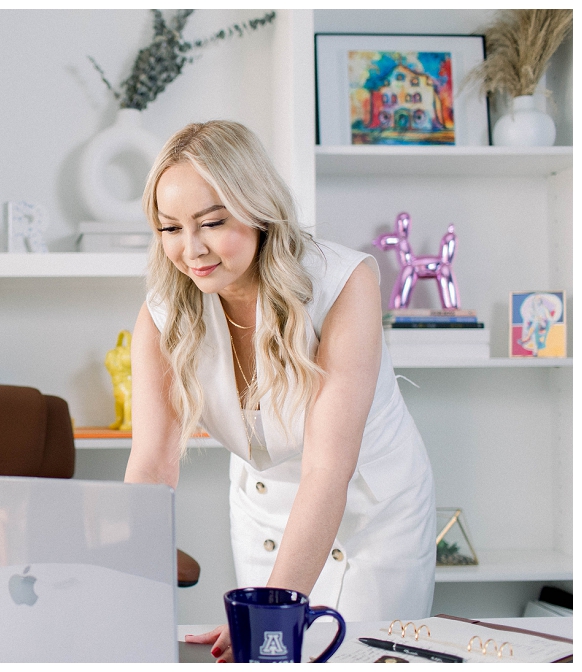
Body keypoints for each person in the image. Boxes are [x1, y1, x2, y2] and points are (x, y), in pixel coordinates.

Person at [123, 121, 436, 662]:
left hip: (369, 513)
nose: (190, 249)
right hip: (263, 511)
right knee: (270, 660)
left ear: (257, 208)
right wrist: (125, 598)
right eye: (169, 228)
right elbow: (151, 468)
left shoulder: (342, 283)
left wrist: (269, 606)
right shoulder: (162, 315)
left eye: (212, 223)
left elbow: (326, 470)